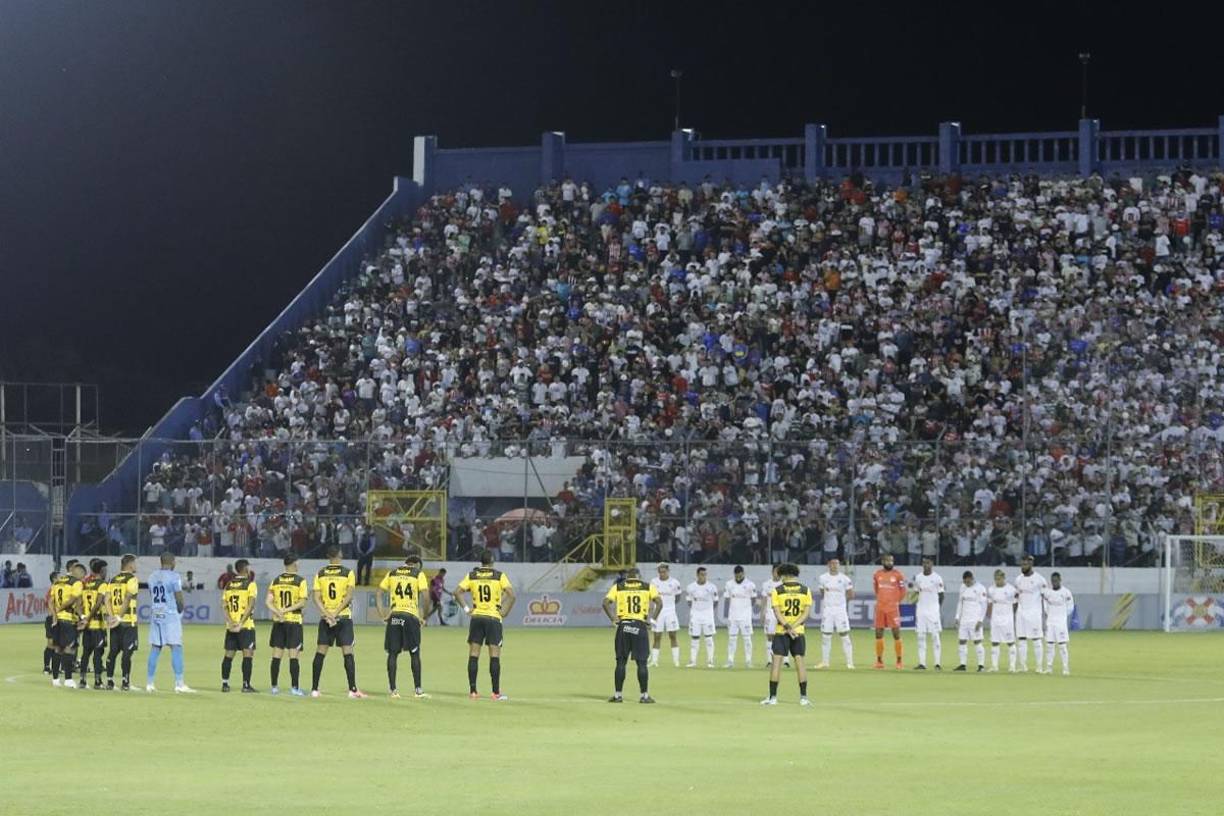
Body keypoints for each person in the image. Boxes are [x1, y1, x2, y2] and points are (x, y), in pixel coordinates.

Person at [454, 549, 515, 700]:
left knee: (474, 654)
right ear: (493, 561)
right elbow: (512, 595)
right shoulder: (499, 576)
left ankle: (473, 691)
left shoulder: (472, 575)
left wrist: (468, 609)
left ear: (480, 561)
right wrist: (504, 611)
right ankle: (495, 693)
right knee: (494, 655)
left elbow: (457, 592)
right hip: (493, 618)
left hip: (477, 617)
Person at [311, 545, 364, 698]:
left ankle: (314, 689)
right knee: (348, 652)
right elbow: (348, 597)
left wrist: (328, 614)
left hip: (326, 619)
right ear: (340, 555)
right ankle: (352, 690)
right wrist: (336, 612)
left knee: (320, 652)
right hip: (343, 618)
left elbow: (316, 598)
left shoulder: (320, 573)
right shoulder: (348, 573)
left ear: (328, 556)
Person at [376, 554, 431, 699]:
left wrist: (384, 615)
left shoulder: (392, 573)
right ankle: (418, 690)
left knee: (393, 653)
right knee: (414, 653)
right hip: (410, 616)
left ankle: (393, 690)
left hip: (395, 616)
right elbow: (425, 596)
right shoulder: (418, 574)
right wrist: (423, 617)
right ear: (415, 565)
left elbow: (379, 593)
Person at [603, 567, 661, 703]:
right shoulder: (648, 587)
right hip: (639, 625)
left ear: (628, 576)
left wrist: (613, 618)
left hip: (624, 626)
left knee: (621, 662)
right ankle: (644, 696)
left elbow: (605, 603)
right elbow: (659, 602)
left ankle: (618, 695)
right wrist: (652, 620)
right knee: (642, 663)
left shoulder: (619, 586)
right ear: (639, 576)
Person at [761, 563, 812, 706]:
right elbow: (806, 613)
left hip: (781, 631)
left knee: (776, 663)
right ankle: (803, 698)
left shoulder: (777, 590)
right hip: (798, 632)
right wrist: (794, 627)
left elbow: (777, 613)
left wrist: (787, 627)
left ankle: (773, 698)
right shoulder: (805, 590)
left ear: (783, 575)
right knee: (800, 663)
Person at [146, 552, 194, 693]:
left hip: (156, 613)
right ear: (172, 561)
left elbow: (152, 595)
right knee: (176, 647)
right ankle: (179, 684)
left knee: (155, 648)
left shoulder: (152, 576)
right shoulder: (174, 576)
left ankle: (150, 683)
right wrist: (180, 610)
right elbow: (179, 598)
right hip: (170, 614)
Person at [266, 554, 309, 696]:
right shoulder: (300, 581)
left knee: (276, 655)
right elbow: (302, 602)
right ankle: (294, 688)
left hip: (279, 622)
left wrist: (278, 612)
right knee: (293, 655)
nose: (299, 565)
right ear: (293, 564)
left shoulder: (276, 581)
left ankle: (274, 687)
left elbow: (268, 602)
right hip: (293, 621)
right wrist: (286, 610)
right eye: (297, 563)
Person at [220, 559, 258, 693]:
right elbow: (251, 605)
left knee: (228, 655)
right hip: (245, 626)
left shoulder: (229, 585)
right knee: (247, 655)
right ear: (246, 569)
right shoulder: (250, 585)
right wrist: (241, 622)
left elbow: (224, 606)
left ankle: (225, 684)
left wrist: (231, 622)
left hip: (231, 627)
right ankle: (246, 685)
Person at [103, 554, 140, 690]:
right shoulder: (132, 579)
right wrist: (119, 617)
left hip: (115, 623)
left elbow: (106, 599)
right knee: (127, 653)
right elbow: (127, 598)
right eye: (135, 563)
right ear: (129, 565)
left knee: (113, 652)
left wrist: (112, 616)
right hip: (128, 621)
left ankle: (110, 681)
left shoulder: (113, 580)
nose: (136, 566)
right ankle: (125, 682)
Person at [49, 562, 85, 687]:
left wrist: (54, 614)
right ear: (78, 572)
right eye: (83, 575)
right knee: (70, 648)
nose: (83, 578)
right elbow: (74, 600)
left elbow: (50, 601)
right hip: (69, 619)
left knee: (58, 648)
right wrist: (82, 617)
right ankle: (69, 679)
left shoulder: (58, 582)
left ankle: (55, 679)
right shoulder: (76, 583)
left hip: (58, 620)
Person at [815, 558, 854, 670]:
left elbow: (851, 594)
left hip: (840, 610)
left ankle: (850, 663)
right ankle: (825, 662)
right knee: (826, 636)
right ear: (828, 565)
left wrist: (840, 601)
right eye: (832, 563)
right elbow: (822, 593)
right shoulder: (823, 578)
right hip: (828, 610)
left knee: (844, 635)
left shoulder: (845, 579)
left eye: (836, 563)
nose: (834, 565)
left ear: (839, 565)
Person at [1013, 555, 1049, 673]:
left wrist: (1046, 615)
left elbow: (1045, 598)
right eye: (1022, 564)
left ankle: (1039, 666)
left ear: (1031, 564)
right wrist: (1014, 612)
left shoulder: (1040, 579)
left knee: (1036, 640)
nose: (1023, 567)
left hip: (1034, 614)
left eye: (1025, 564)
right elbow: (1016, 598)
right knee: (1021, 639)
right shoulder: (1018, 579)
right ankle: (1023, 666)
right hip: (1021, 614)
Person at [78, 559, 109, 689]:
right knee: (98, 653)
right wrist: (89, 618)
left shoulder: (86, 585)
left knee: (86, 652)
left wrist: (83, 618)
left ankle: (83, 681)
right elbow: (98, 603)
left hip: (87, 626)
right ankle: (97, 681)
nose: (106, 572)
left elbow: (79, 604)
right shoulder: (102, 585)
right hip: (97, 625)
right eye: (105, 569)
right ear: (101, 570)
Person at [910, 557, 945, 670]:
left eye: (928, 563)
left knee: (935, 637)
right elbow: (916, 593)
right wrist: (913, 600)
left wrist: (936, 608)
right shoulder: (918, 578)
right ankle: (922, 663)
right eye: (924, 563)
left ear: (932, 564)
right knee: (921, 637)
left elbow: (941, 595)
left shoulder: (937, 578)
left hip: (933, 612)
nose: (926, 565)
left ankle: (937, 663)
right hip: (920, 612)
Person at [872, 553, 906, 670]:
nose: (890, 563)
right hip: (881, 607)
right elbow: (876, 589)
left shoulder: (898, 575)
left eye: (891, 561)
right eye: (887, 561)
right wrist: (882, 600)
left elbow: (903, 591)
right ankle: (879, 661)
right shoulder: (877, 574)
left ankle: (899, 661)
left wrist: (896, 601)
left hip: (892, 608)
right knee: (878, 633)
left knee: (896, 634)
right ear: (883, 562)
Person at [648, 563, 682, 667]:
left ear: (668, 571)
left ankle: (676, 661)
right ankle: (654, 661)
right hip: (658, 612)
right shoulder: (653, 582)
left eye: (664, 572)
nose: (662, 574)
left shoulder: (675, 582)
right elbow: (651, 597)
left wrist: (669, 605)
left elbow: (678, 597)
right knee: (657, 636)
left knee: (673, 635)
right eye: (660, 572)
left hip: (670, 611)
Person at [953, 570, 987, 672]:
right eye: (964, 582)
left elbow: (984, 605)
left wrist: (980, 620)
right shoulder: (962, 587)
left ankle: (981, 666)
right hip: (964, 620)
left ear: (972, 579)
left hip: (975, 620)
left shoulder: (980, 588)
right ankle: (963, 664)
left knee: (977, 641)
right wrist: (957, 617)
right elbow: (960, 602)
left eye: (968, 582)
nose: (966, 584)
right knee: (962, 641)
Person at [684, 566, 718, 668]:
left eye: (705, 574)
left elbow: (716, 601)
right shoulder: (691, 587)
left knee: (708, 638)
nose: (704, 577)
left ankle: (710, 661)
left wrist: (708, 610)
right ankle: (692, 661)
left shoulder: (712, 587)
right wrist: (697, 610)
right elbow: (689, 601)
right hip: (695, 615)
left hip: (708, 616)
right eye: (702, 574)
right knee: (694, 638)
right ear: (697, 575)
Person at [723, 565, 756, 668]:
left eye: (740, 575)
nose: (738, 577)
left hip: (745, 616)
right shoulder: (729, 584)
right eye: (737, 575)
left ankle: (748, 661)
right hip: (733, 616)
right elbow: (727, 600)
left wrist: (746, 609)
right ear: (734, 575)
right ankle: (730, 660)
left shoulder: (750, 585)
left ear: (743, 574)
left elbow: (753, 599)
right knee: (732, 639)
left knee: (747, 639)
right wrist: (727, 615)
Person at [985, 569, 1018, 673]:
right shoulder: (991, 589)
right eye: (995, 579)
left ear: (1003, 578)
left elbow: (1015, 603)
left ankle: (1012, 666)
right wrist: (989, 614)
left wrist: (1011, 615)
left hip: (1007, 619)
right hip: (995, 619)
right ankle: (994, 666)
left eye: (999, 579)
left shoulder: (1011, 590)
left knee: (1010, 642)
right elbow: (989, 603)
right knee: (995, 642)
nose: (997, 581)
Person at [1041, 572, 1074, 675]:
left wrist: (1062, 616)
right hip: (1050, 622)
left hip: (1061, 623)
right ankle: (1049, 667)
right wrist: (1049, 614)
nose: (1054, 582)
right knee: (1049, 645)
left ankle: (1065, 668)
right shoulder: (1047, 593)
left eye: (1056, 580)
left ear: (1060, 580)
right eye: (1052, 581)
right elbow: (1045, 605)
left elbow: (1070, 607)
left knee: (1062, 646)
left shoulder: (1066, 592)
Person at [760, 564, 789, 667]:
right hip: (770, 613)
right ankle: (769, 660)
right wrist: (762, 613)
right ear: (772, 572)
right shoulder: (766, 584)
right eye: (776, 571)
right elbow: (764, 599)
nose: (778, 574)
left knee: (784, 635)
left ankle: (785, 660)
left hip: (782, 613)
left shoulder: (785, 584)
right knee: (770, 636)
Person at [42, 570, 59, 675]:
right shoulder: (52, 590)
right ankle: (47, 667)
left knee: (58, 644)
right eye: (59, 577)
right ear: (54, 579)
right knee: (51, 644)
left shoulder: (58, 589)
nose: (61, 579)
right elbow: (49, 604)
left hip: (57, 618)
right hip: (51, 619)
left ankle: (55, 667)